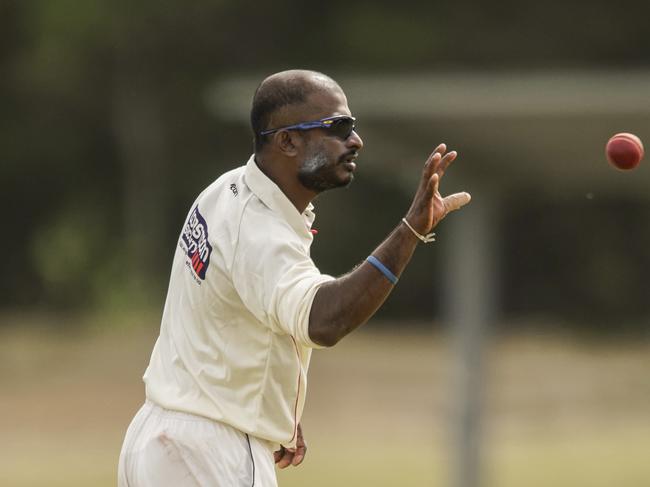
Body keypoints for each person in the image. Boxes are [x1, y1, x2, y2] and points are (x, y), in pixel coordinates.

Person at [117, 69, 471, 487]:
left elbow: (224, 319)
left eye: (352, 128)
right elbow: (324, 321)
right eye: (337, 128)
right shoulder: (260, 230)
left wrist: (271, 404)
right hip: (209, 452)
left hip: (160, 438)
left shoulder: (226, 191)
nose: (354, 141)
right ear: (286, 141)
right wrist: (410, 231)